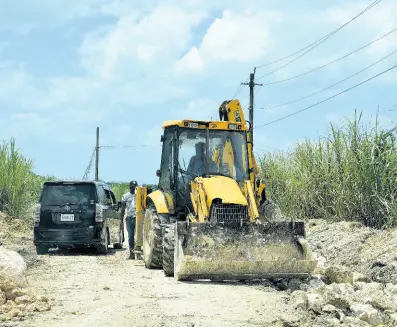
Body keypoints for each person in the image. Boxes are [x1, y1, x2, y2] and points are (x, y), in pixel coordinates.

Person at [120, 181, 138, 259]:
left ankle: (139, 253)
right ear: (129, 186)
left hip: (138, 217)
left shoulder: (139, 195)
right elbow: (123, 208)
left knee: (138, 235)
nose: (133, 187)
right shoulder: (126, 196)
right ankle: (132, 253)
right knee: (131, 236)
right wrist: (121, 219)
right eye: (132, 186)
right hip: (130, 218)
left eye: (135, 186)